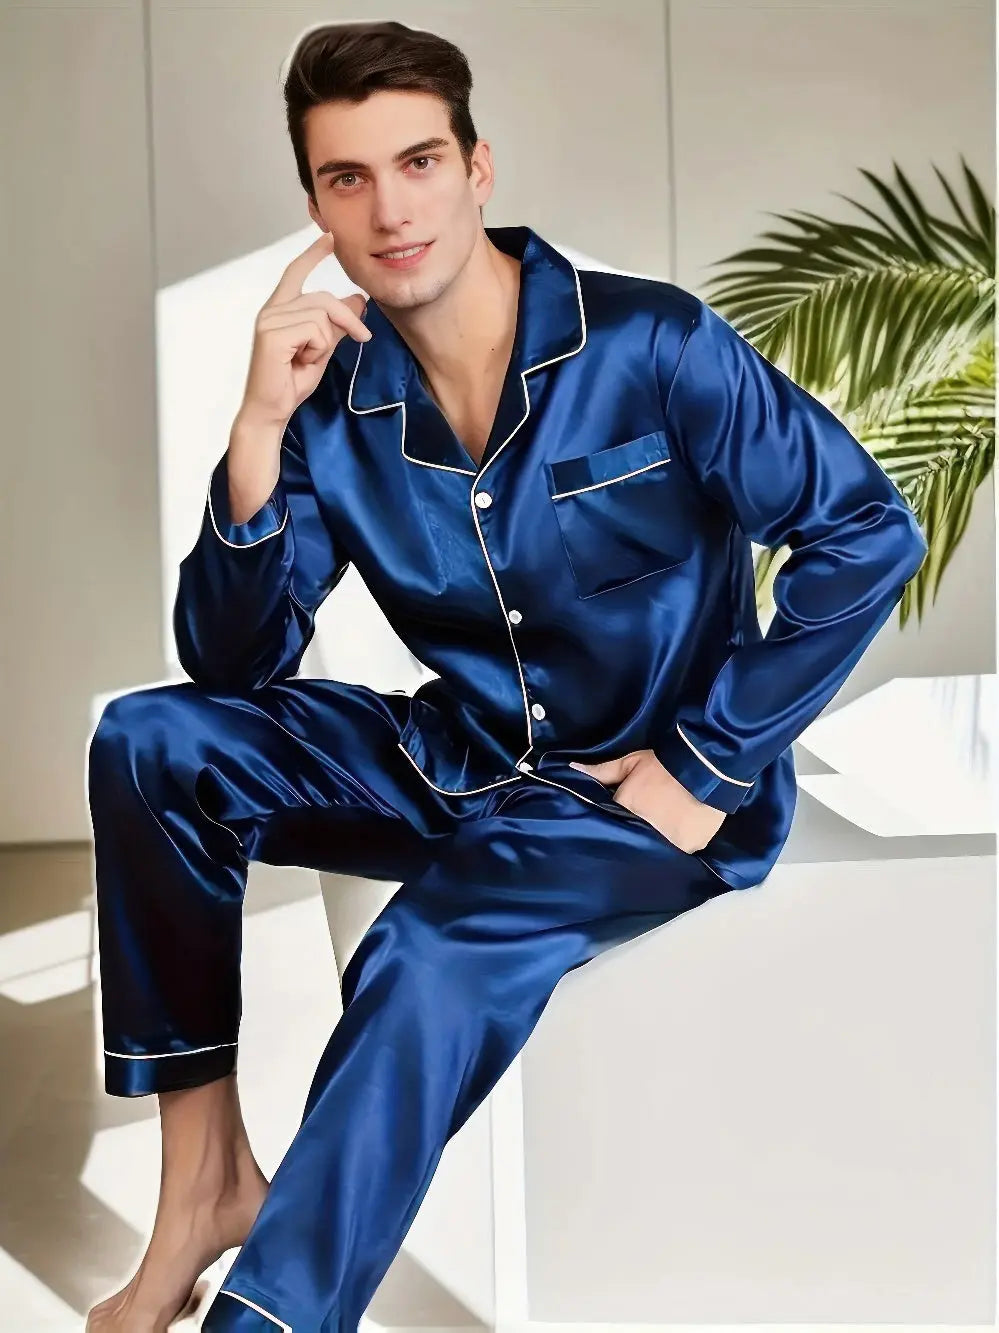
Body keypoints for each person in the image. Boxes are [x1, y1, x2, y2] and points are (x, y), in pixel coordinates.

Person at [85, 17, 928, 1333]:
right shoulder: (330, 400)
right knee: (152, 743)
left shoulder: (651, 345)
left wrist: (706, 764)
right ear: (315, 208)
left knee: (424, 949)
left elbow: (867, 531)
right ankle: (202, 1186)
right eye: (349, 178)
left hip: (636, 798)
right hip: (464, 760)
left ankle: (274, 1317)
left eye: (418, 162)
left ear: (478, 168)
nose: (391, 210)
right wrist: (255, 424)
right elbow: (233, 664)